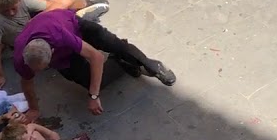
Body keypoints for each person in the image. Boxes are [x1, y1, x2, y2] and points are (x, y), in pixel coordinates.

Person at [14, 8, 174, 118]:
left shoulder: (57, 33)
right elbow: (27, 83)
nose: (39, 72)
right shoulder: (21, 58)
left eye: (44, 68)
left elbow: (95, 56)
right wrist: (34, 109)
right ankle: (118, 62)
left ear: (52, 51)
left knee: (113, 44)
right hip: (63, 58)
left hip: (74, 27)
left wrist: (93, 96)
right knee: (94, 81)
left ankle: (150, 64)